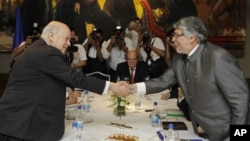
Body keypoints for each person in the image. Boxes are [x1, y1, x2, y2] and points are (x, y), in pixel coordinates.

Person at [0, 21, 130, 141]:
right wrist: (112, 86)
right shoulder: (46, 52)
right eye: (66, 39)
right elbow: (76, 78)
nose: (68, 44)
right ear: (51, 36)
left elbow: (44, 87)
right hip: (19, 126)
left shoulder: (38, 49)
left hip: (20, 125)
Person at [127, 16, 250, 141]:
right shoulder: (179, 58)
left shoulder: (218, 58)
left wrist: (238, 137)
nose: (173, 39)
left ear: (192, 38)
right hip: (199, 131)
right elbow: (163, 81)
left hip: (224, 134)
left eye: (176, 35)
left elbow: (241, 102)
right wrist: (132, 88)